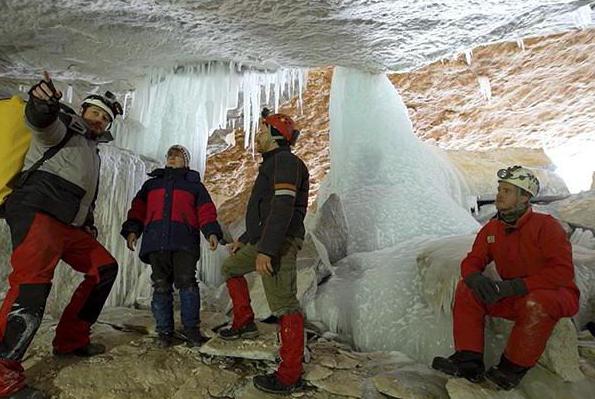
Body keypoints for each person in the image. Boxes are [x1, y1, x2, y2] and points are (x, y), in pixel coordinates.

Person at [0, 72, 123, 398]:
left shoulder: (92, 151)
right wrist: (43, 103)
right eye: (95, 112)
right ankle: (3, 376)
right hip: (38, 211)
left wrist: (88, 223)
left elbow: (83, 196)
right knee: (30, 288)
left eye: (105, 118)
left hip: (70, 225)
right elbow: (42, 122)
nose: (98, 120)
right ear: (83, 111)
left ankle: (71, 339)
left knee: (105, 269)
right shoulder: (64, 130)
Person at [432, 166, 579, 390]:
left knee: (536, 302)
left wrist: (513, 286)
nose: (500, 194)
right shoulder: (492, 229)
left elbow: (562, 273)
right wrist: (473, 277)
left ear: (524, 197)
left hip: (556, 295)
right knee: (467, 290)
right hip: (516, 294)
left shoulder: (546, 227)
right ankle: (468, 361)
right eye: (500, 189)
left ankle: (510, 370)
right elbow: (473, 260)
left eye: (508, 190)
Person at [217, 109, 309, 394]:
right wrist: (246, 239)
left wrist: (266, 250)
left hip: (279, 242)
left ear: (275, 135)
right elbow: (264, 210)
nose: (256, 136)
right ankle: (244, 323)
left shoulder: (285, 161)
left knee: (284, 304)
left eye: (261, 131)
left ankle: (289, 375)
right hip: (265, 240)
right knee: (230, 267)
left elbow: (282, 208)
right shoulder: (273, 163)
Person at [121, 145, 222, 348]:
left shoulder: (194, 186)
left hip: (184, 241)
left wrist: (211, 231)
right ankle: (164, 331)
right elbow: (138, 209)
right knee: (160, 285)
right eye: (170, 155)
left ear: (186, 161)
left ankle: (191, 329)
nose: (173, 158)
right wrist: (133, 229)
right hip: (157, 241)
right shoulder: (151, 185)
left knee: (186, 282)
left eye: (178, 156)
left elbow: (206, 211)